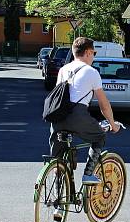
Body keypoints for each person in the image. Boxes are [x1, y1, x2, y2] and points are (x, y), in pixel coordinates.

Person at [49, 37, 119, 185]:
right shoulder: (91, 72)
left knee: (58, 161)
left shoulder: (63, 69)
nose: (94, 56)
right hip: (78, 116)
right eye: (93, 53)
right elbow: (104, 104)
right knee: (99, 137)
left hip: (57, 117)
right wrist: (112, 124)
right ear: (87, 52)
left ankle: (58, 203)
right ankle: (88, 174)